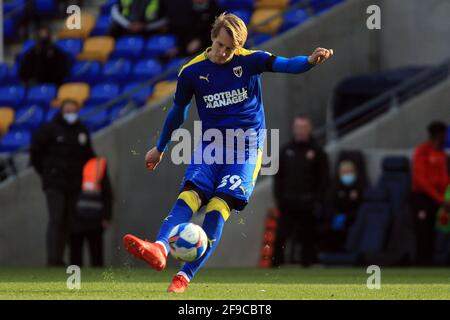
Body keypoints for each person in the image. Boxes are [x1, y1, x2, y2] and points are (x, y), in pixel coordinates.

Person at [122, 13, 333, 292]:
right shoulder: (192, 71)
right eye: (220, 45)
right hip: (211, 144)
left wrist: (308, 61)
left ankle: (183, 277)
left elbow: (284, 65)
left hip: (247, 149)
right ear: (212, 37)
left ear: (238, 48)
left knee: (218, 207)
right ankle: (160, 248)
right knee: (190, 195)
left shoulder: (249, 60)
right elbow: (178, 112)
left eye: (229, 49)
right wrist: (160, 148)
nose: (223, 53)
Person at [30, 99, 95, 266]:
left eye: (73, 111)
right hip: (55, 183)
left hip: (73, 184)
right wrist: (47, 173)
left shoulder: (81, 131)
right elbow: (35, 153)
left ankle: (60, 258)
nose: (70, 114)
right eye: (68, 111)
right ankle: (53, 259)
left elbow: (89, 156)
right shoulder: (50, 129)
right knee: (56, 219)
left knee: (68, 222)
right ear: (62, 111)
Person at [272, 116, 330, 267]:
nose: (301, 131)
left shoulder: (318, 152)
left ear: (309, 129)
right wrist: (280, 199)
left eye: (304, 127)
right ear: (294, 129)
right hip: (288, 203)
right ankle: (275, 265)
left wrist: (317, 200)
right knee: (281, 236)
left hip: (308, 204)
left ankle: (306, 267)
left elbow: (324, 179)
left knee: (307, 237)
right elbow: (278, 178)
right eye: (298, 127)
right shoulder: (286, 151)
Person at [411, 121, 450, 266]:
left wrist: (446, 197)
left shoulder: (442, 155)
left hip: (437, 198)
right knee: (423, 231)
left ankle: (431, 265)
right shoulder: (422, 151)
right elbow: (421, 181)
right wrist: (441, 200)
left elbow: (444, 179)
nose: (446, 137)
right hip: (421, 198)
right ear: (438, 135)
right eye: (445, 134)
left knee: (435, 232)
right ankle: (420, 265)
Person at [70, 157, 113, 267]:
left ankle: (95, 281)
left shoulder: (98, 164)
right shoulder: (69, 162)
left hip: (94, 218)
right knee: (76, 256)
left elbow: (107, 193)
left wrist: (106, 217)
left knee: (96, 256)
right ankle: (75, 282)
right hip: (76, 217)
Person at [320, 159, 363, 252]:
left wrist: (355, 199)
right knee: (336, 223)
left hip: (354, 217)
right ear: (339, 173)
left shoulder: (360, 187)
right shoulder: (334, 188)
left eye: (349, 172)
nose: (347, 175)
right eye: (344, 172)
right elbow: (330, 205)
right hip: (337, 217)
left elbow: (362, 207)